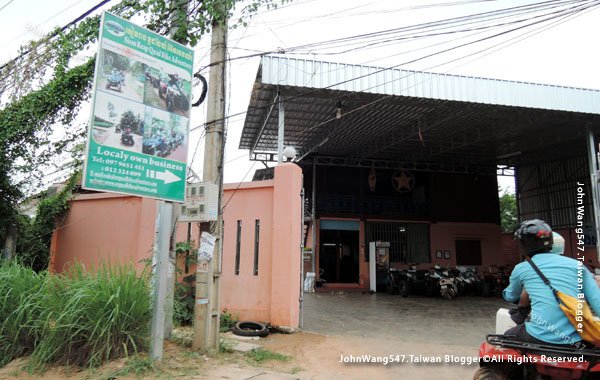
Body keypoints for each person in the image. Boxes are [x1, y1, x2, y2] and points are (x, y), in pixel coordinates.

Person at [503, 219, 600, 346]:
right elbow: (597, 302)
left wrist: (507, 293)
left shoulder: (522, 268)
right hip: (578, 339)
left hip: (538, 336)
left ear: (523, 245)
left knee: (506, 336)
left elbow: (510, 296)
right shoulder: (577, 266)